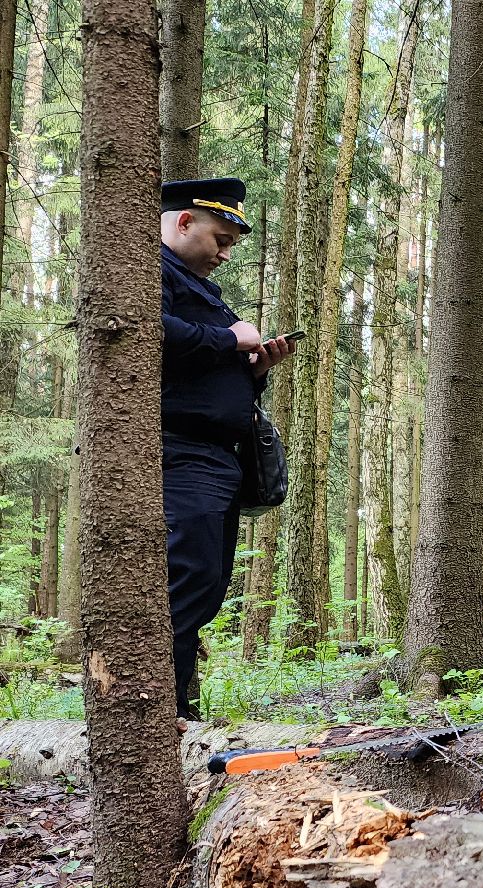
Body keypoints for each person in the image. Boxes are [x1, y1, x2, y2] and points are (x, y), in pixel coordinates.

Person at [159, 178, 298, 726]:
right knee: (186, 575)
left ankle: (178, 704)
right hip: (181, 452)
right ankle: (156, 713)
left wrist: (254, 369)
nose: (223, 253)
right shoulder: (152, 273)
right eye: (219, 238)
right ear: (185, 222)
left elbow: (202, 368)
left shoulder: (202, 290)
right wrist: (230, 340)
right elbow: (152, 333)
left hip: (220, 458)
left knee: (210, 584)